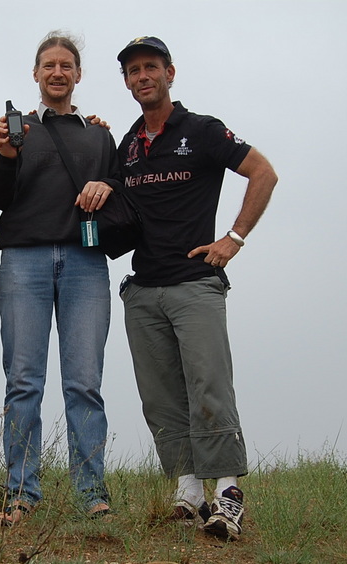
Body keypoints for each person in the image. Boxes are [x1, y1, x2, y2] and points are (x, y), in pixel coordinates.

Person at [97, 36, 278, 540]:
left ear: (170, 73)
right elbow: (106, 188)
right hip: (143, 289)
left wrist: (233, 239)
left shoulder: (202, 129)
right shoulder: (129, 142)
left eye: (150, 67)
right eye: (133, 71)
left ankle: (228, 493)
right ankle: (189, 488)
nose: (142, 77)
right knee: (160, 398)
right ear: (127, 81)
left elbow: (263, 172)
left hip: (196, 283)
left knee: (209, 387)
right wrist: (94, 132)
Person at [0, 32, 120, 525]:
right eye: (48, 65)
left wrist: (108, 182)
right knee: (23, 382)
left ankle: (92, 495)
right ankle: (20, 493)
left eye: (66, 65)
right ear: (35, 74)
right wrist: (5, 155)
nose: (57, 72)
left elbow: (121, 189)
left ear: (78, 75)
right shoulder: (11, 131)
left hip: (86, 264)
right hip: (23, 261)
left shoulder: (100, 135)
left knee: (84, 383)